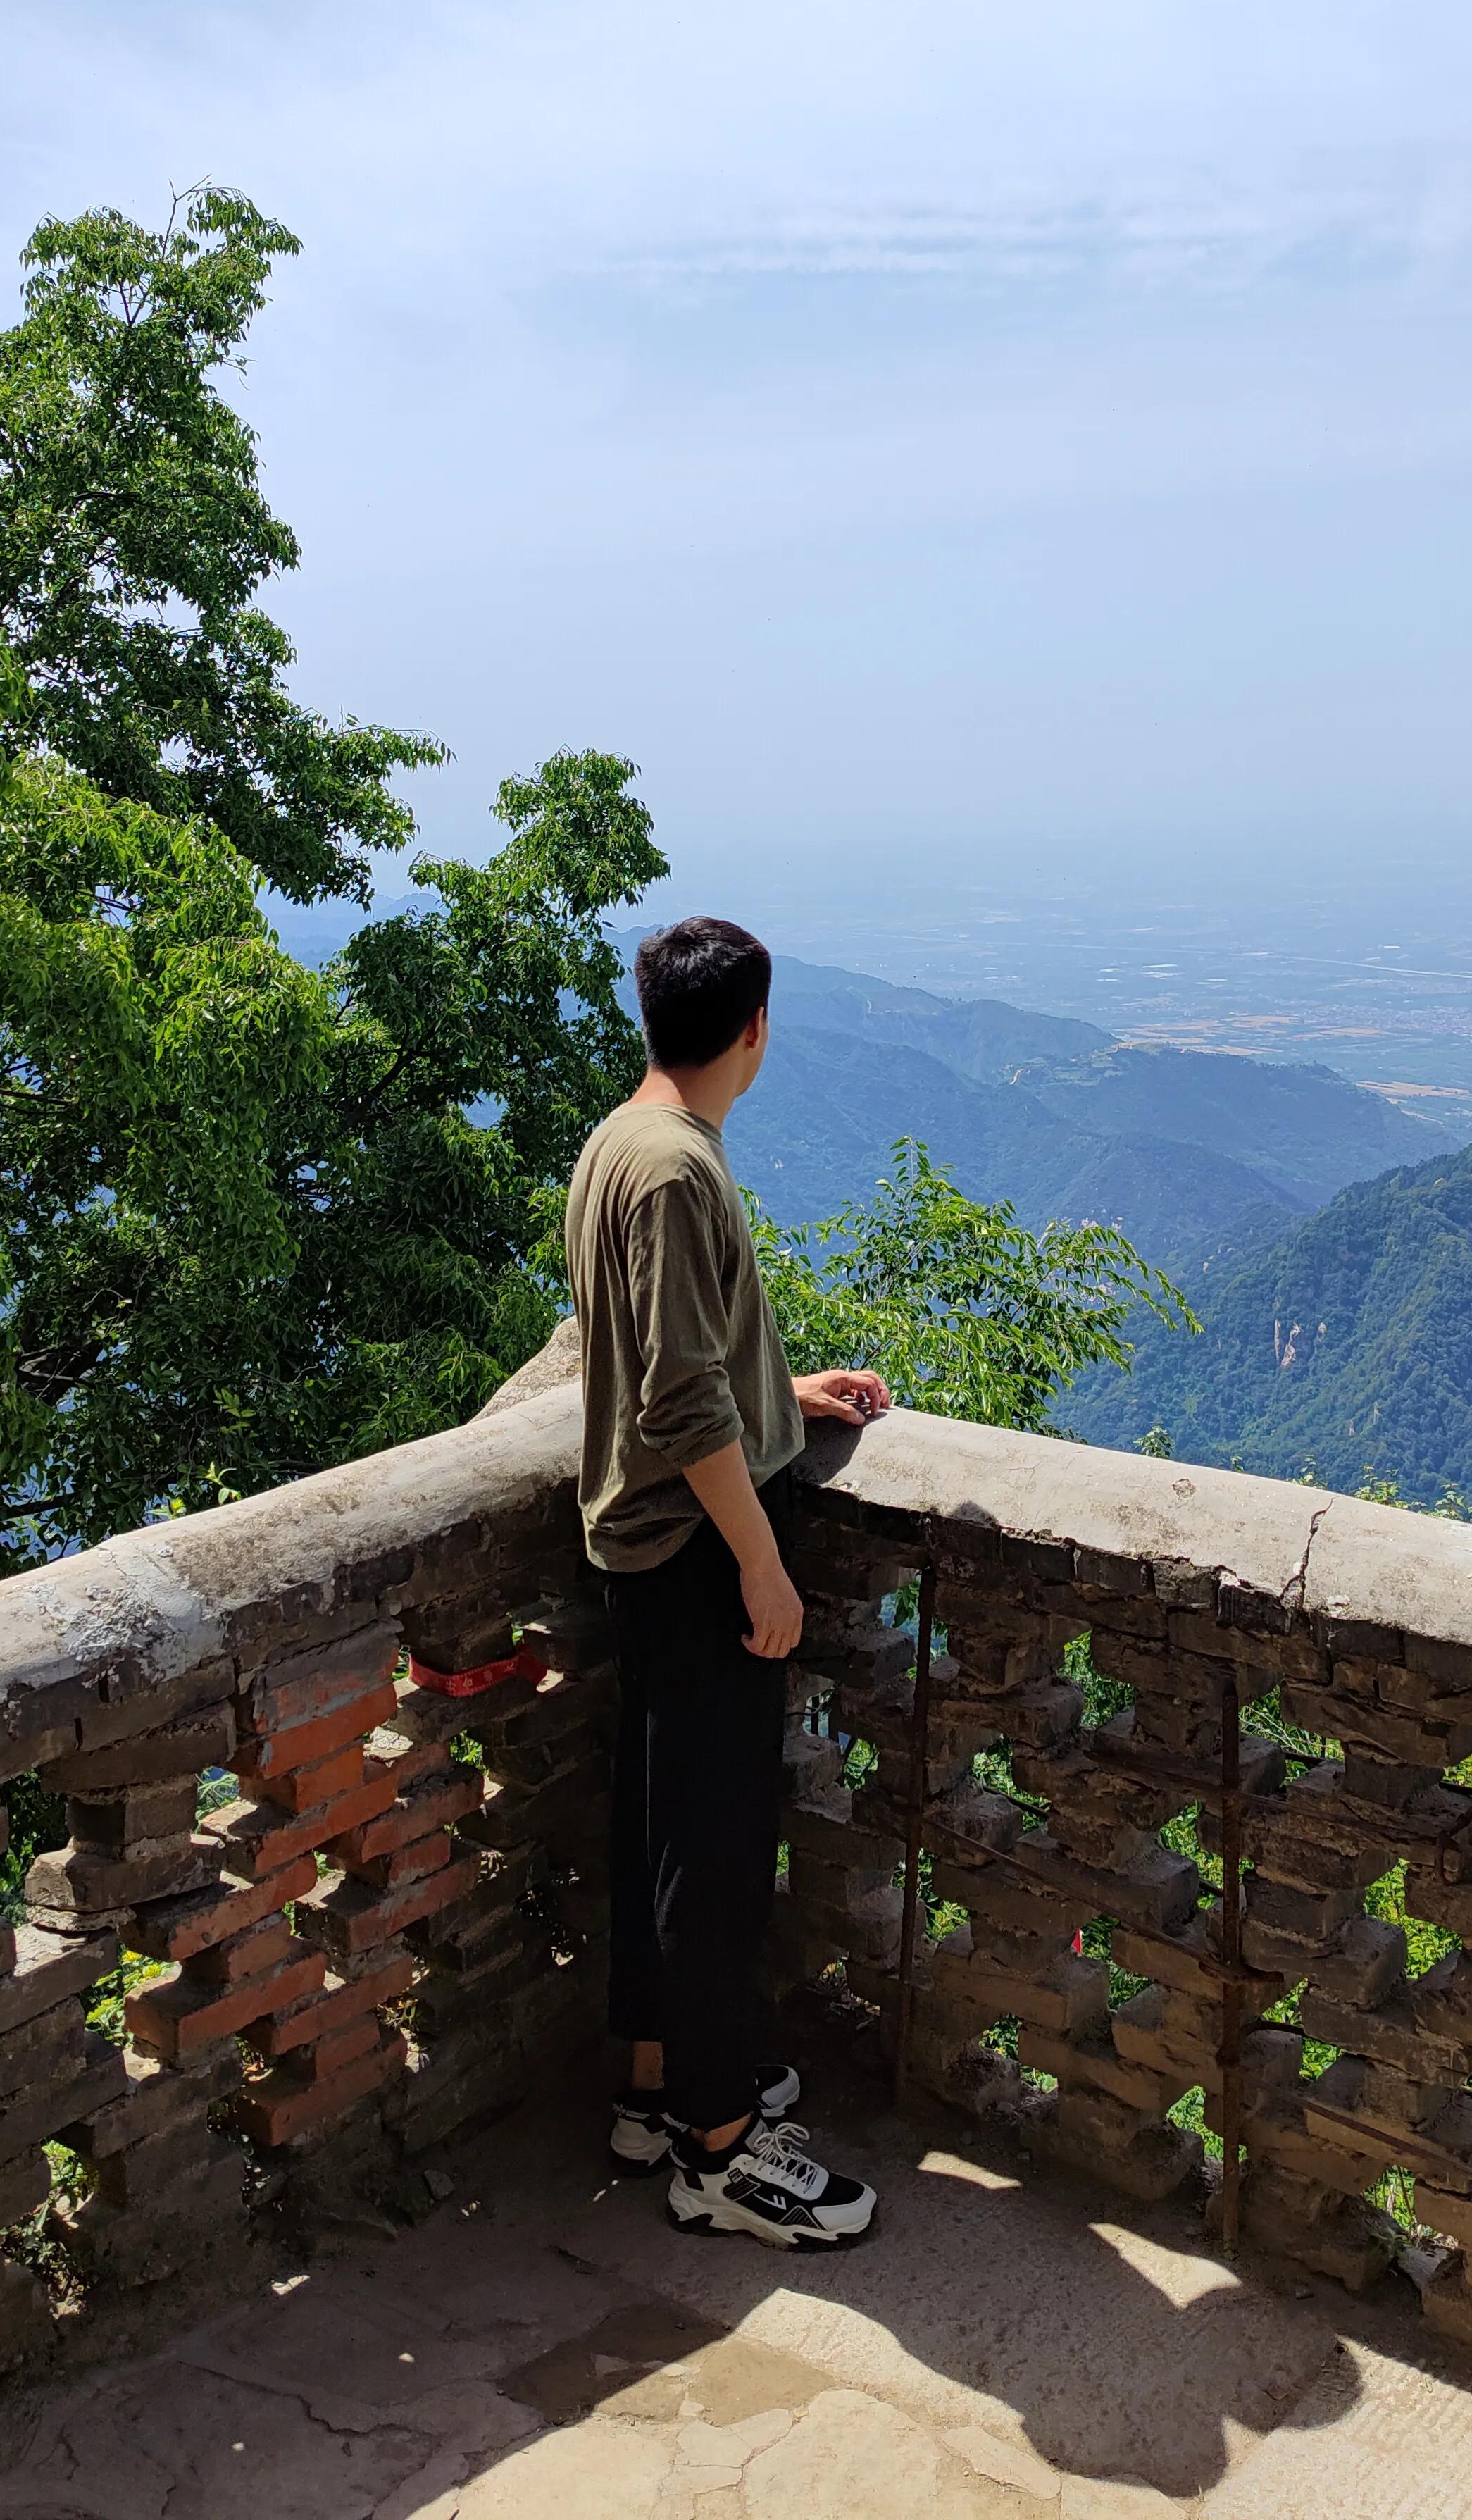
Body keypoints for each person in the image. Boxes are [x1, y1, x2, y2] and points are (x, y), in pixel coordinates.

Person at [566, 914, 891, 2248]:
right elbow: (677, 1399)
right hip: (694, 1549)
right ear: (753, 1030)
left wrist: (780, 1393)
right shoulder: (678, 1172)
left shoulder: (622, 1141)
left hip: (646, 1546)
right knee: (714, 1852)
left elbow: (676, 1354)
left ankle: (654, 2088)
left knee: (661, 1827)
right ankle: (719, 2149)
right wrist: (761, 1563)